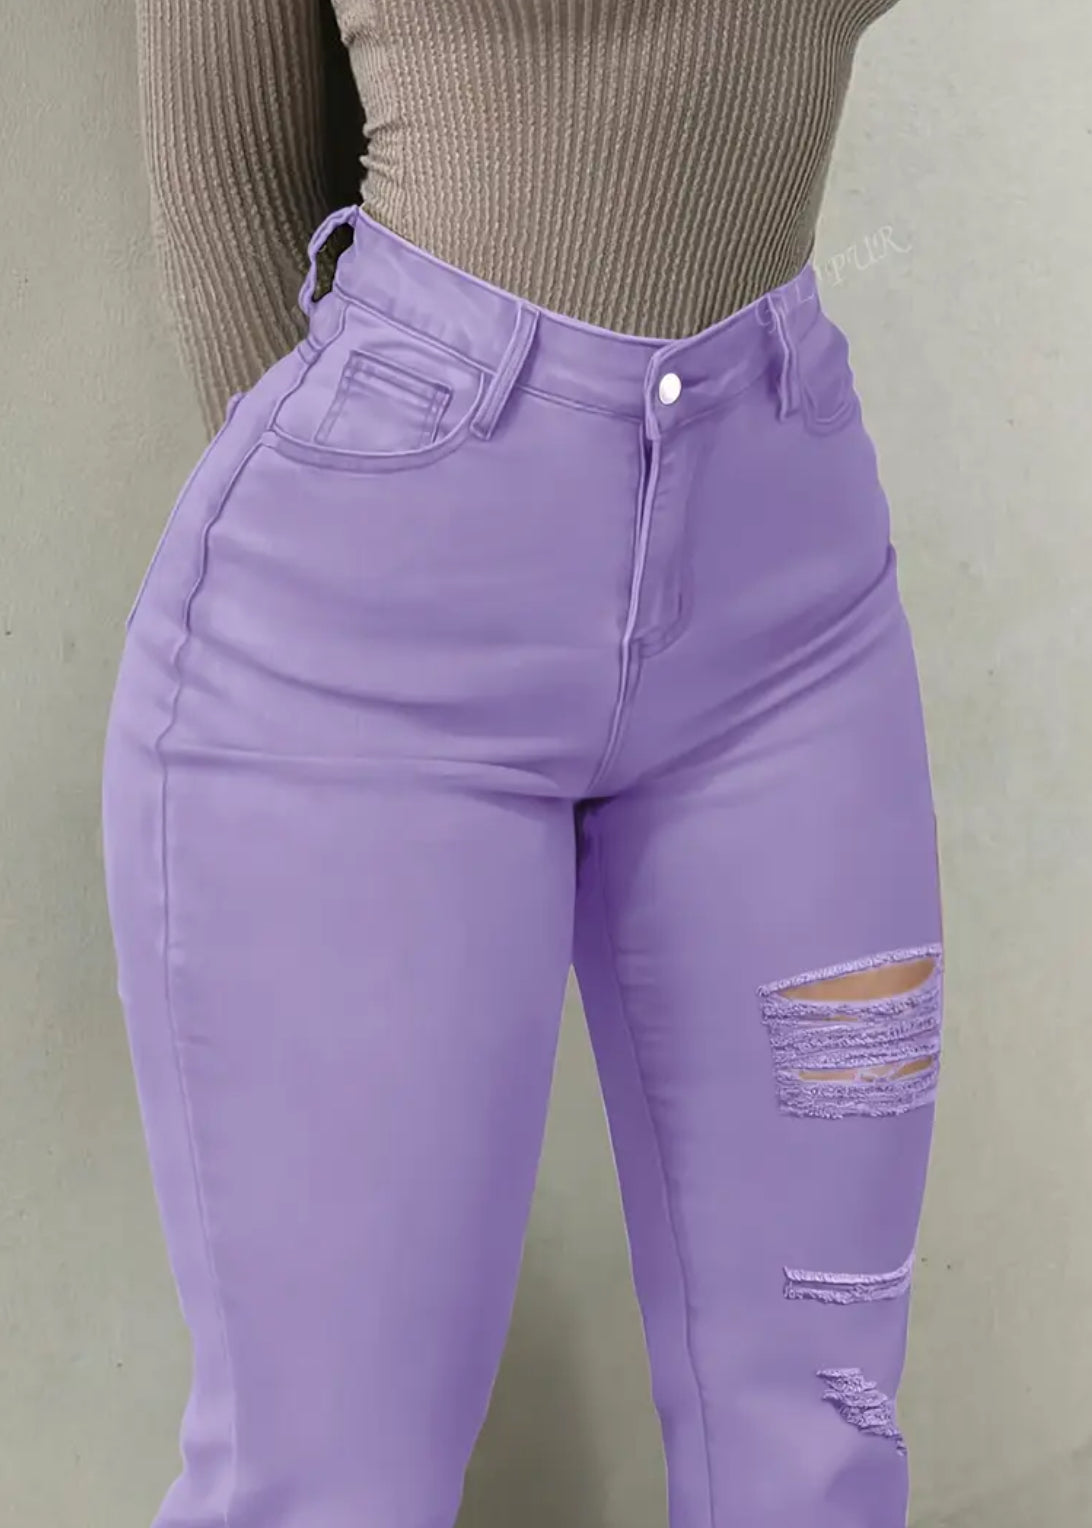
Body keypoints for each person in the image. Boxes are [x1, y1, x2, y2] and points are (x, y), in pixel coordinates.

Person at [101, 3, 945, 1526]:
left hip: (788, 599)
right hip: (360, 640)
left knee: (822, 1444)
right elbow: (228, 176)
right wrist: (380, 516)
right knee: (332, 1481)